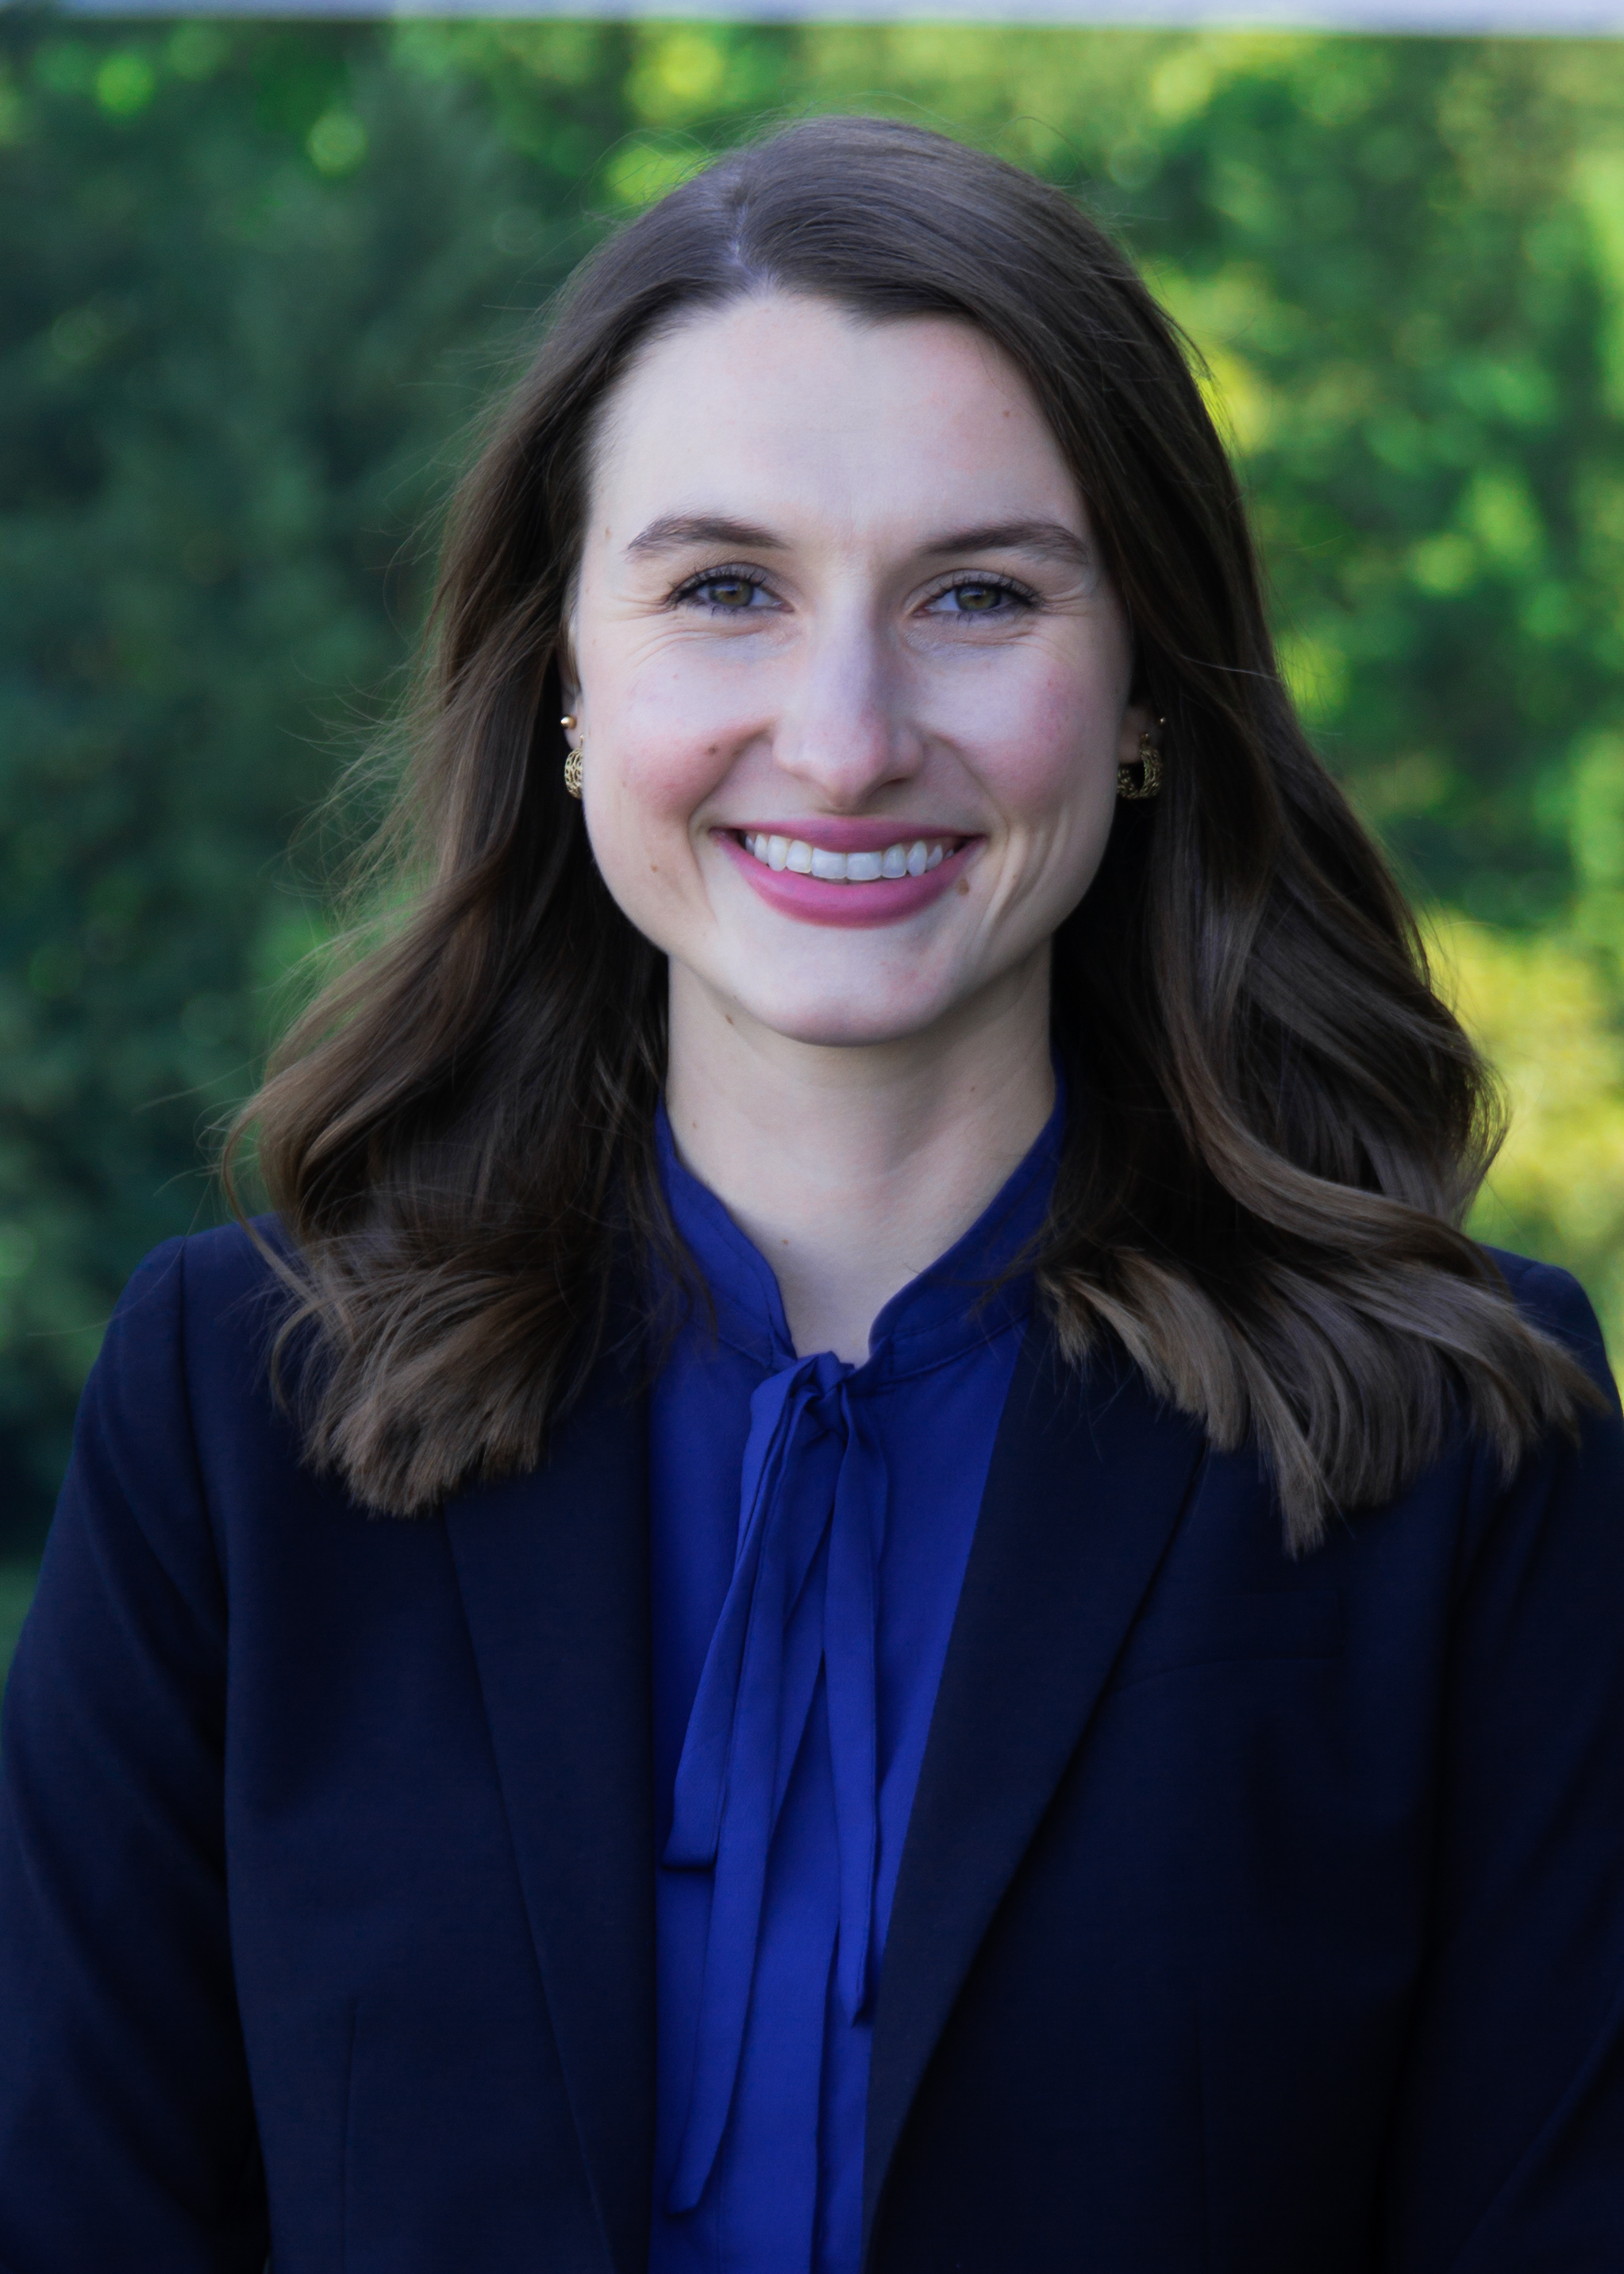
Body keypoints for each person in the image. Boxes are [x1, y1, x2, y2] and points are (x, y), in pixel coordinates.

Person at [1, 113, 1621, 2274]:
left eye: (977, 593)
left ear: (1142, 692)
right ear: (566, 683)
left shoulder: (1467, 1445)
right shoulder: (230, 1411)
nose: (846, 738)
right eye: (725, 590)